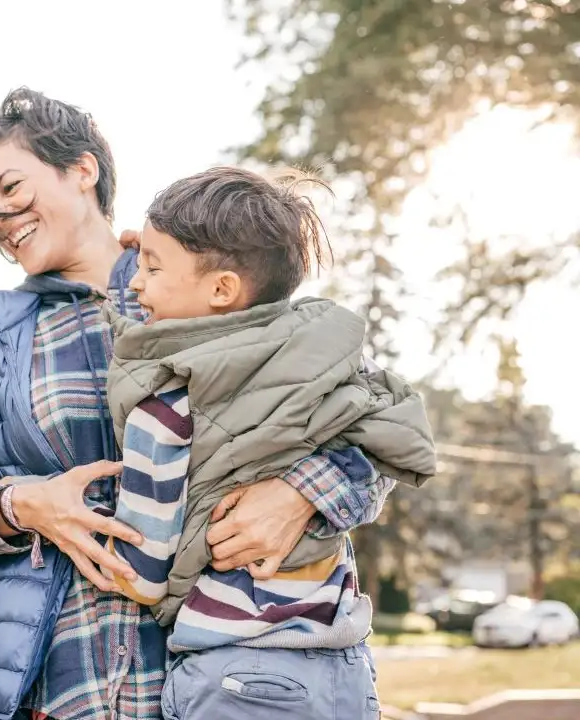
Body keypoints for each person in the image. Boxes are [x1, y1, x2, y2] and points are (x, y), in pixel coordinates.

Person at [0, 87, 399, 720]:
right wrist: (19, 504)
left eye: (10, 187)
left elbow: (378, 426)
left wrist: (300, 494)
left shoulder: (211, 270)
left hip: (248, 677)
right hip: (62, 686)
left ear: (82, 169)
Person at [104, 166, 437, 719]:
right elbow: (400, 437)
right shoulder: (331, 357)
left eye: (152, 268)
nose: (137, 283)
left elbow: (144, 568)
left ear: (221, 289)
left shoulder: (165, 403)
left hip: (236, 669)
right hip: (343, 660)